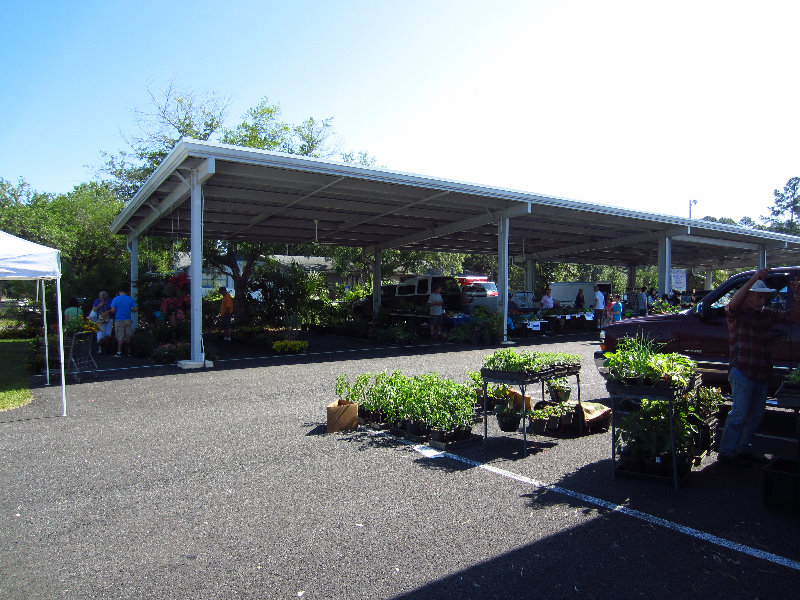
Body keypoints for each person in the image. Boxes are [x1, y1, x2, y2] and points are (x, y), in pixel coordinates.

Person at [718, 269, 800, 463]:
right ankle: (727, 452)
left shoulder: (767, 315)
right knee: (740, 413)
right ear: (749, 297)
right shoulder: (738, 315)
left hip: (761, 372)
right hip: (743, 370)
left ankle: (742, 448)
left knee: (755, 415)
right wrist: (754, 278)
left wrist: (797, 296)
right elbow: (731, 305)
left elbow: (793, 317)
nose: (762, 301)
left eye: (764, 297)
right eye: (758, 297)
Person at [110, 288, 138, 357]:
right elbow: (135, 309)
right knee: (128, 336)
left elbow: (113, 310)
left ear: (119, 291)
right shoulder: (130, 299)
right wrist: (130, 309)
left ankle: (119, 352)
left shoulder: (116, 299)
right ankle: (129, 351)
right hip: (128, 319)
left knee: (120, 336)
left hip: (119, 320)